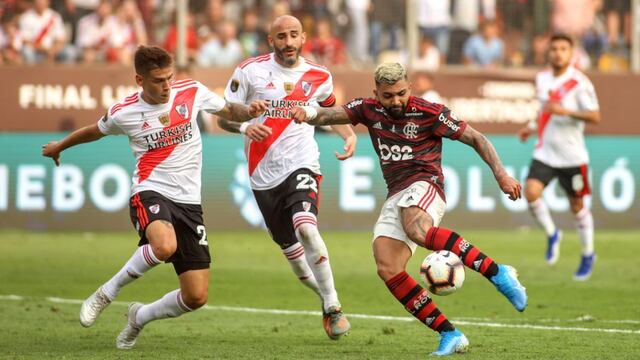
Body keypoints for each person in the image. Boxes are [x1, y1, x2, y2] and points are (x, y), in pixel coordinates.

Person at [290, 62, 528, 356]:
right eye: (388, 96)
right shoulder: (368, 109)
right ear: (376, 93)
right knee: (387, 266)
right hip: (396, 193)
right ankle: (450, 334)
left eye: (401, 93)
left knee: (417, 229)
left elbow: (477, 138)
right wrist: (309, 113)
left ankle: (498, 273)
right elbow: (331, 114)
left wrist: (502, 175)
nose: (396, 101)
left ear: (409, 88)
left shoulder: (430, 112)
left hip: (426, 184)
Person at [41, 45, 267, 349]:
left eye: (169, 78)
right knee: (163, 245)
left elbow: (228, 110)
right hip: (150, 189)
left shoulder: (191, 91)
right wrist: (60, 147)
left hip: (189, 201)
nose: (166, 86)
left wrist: (249, 111)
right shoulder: (126, 112)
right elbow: (95, 131)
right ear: (139, 80)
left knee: (196, 296)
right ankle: (106, 293)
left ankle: (139, 317)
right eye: (158, 80)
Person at [217, 15, 355, 340]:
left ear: (303, 38)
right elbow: (222, 115)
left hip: (302, 163)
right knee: (294, 258)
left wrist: (348, 135)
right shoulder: (249, 71)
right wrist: (245, 125)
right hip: (262, 176)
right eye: (281, 36)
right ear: (270, 40)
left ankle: (334, 305)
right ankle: (324, 297)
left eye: (294, 35)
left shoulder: (319, 75)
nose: (288, 42)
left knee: (306, 227)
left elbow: (329, 111)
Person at [517, 34, 601, 281]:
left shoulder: (579, 83)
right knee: (530, 192)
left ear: (571, 53)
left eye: (563, 49)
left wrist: (565, 110)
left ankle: (588, 254)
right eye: (553, 49)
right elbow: (543, 109)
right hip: (545, 152)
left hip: (572, 156)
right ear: (548, 53)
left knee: (577, 207)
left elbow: (595, 116)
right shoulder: (542, 78)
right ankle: (553, 233)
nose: (557, 53)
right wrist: (530, 125)